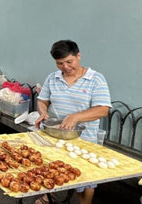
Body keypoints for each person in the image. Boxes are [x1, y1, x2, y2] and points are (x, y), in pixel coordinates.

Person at [36, 39, 111, 204]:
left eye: (69, 61)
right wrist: (42, 113)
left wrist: (75, 116)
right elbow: (43, 100)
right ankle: (49, 196)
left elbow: (103, 109)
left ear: (78, 56)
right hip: (55, 136)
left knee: (85, 179)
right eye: (60, 63)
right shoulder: (52, 78)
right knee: (52, 169)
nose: (65, 67)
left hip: (84, 141)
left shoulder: (96, 79)